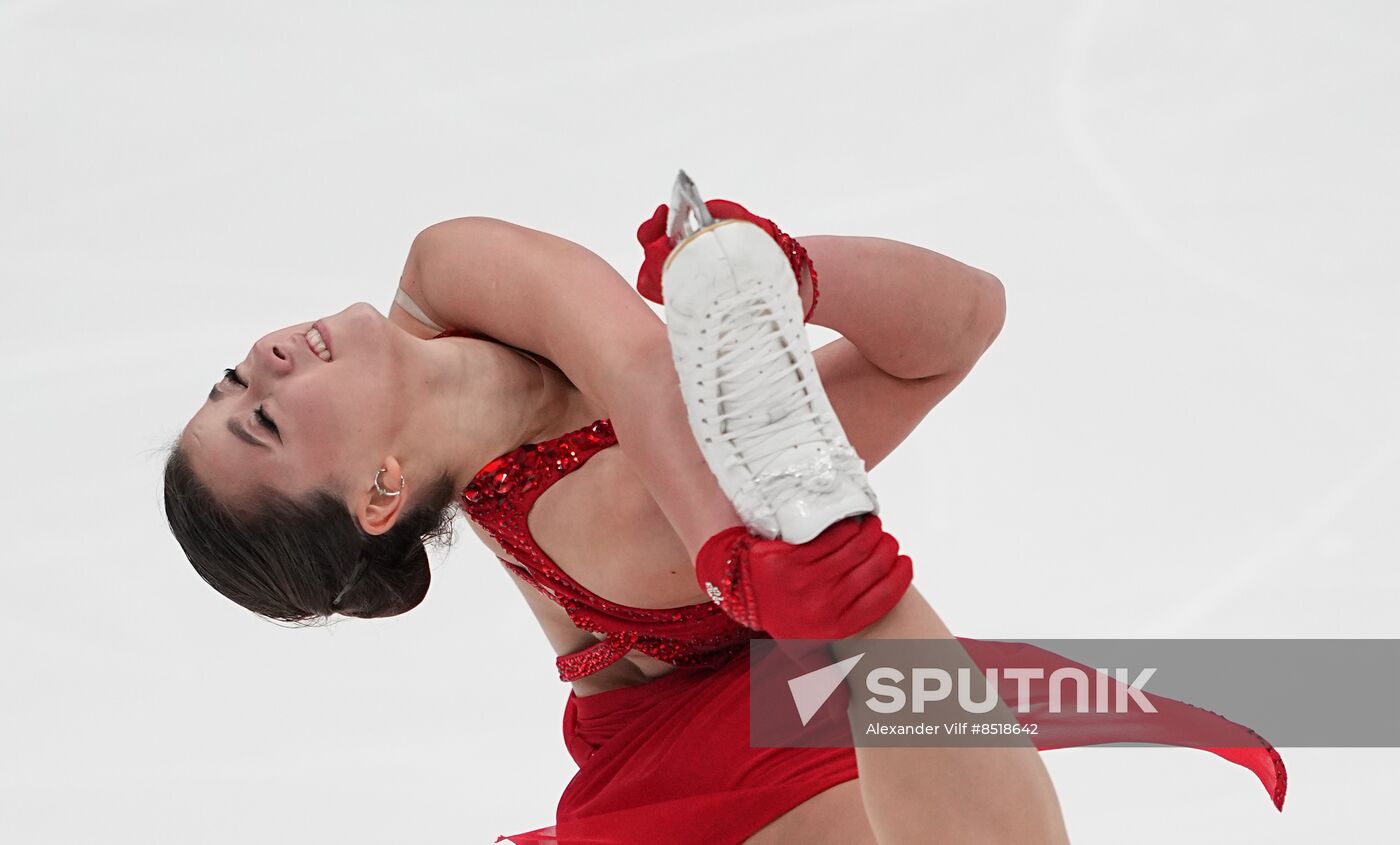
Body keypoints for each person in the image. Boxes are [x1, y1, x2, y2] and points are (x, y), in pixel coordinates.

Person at [164, 174, 1283, 843]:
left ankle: (817, 539)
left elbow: (956, 323)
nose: (264, 359)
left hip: (738, 656)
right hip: (697, 722)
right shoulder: (611, 523)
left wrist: (784, 276)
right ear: (378, 493)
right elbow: (668, 393)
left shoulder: (448, 272)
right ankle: (834, 555)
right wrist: (742, 551)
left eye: (234, 381)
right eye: (266, 419)